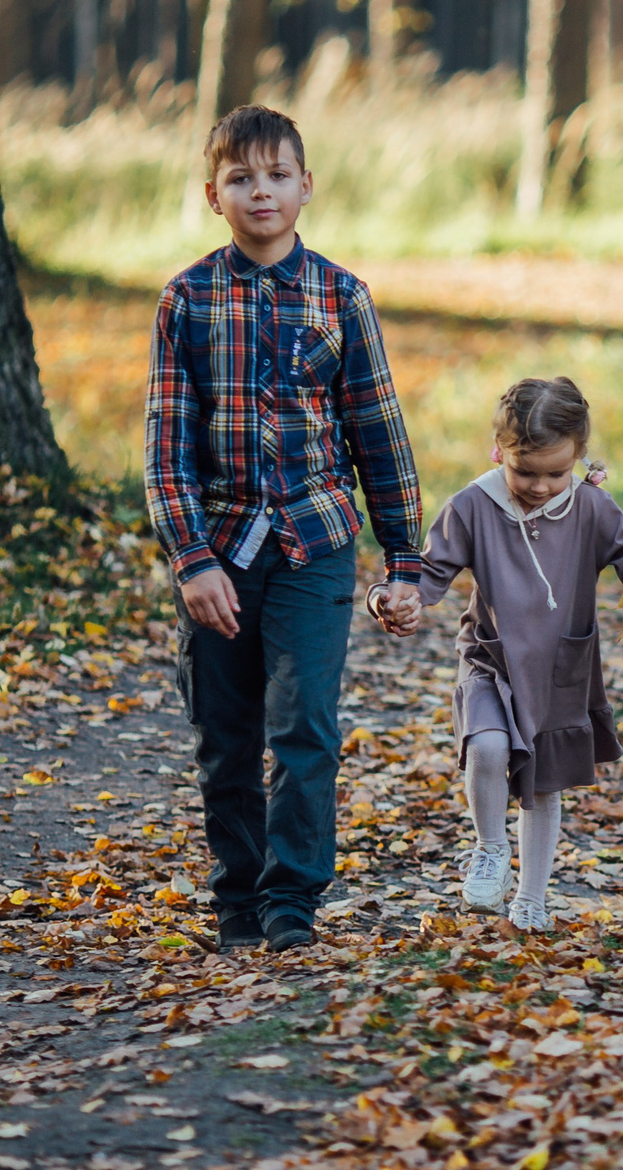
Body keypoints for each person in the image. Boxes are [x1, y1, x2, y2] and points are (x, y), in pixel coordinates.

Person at [145, 105, 425, 955]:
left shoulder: (342, 297)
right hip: (221, 550)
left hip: (315, 542)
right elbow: (166, 448)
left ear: (307, 185)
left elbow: (378, 430)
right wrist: (191, 559)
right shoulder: (186, 301)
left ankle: (291, 901)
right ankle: (238, 896)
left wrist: (403, 559)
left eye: (276, 175)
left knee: (304, 723)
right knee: (224, 736)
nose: (259, 191)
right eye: (240, 177)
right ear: (212, 194)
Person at [374, 378, 623, 931]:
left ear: (578, 456)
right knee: (485, 747)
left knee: (542, 788)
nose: (542, 486)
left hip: (557, 674)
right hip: (491, 659)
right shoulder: (474, 506)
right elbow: (424, 575)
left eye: (558, 473)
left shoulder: (591, 506)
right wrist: (391, 598)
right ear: (498, 450)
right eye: (526, 472)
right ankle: (489, 849)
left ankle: (531, 899)